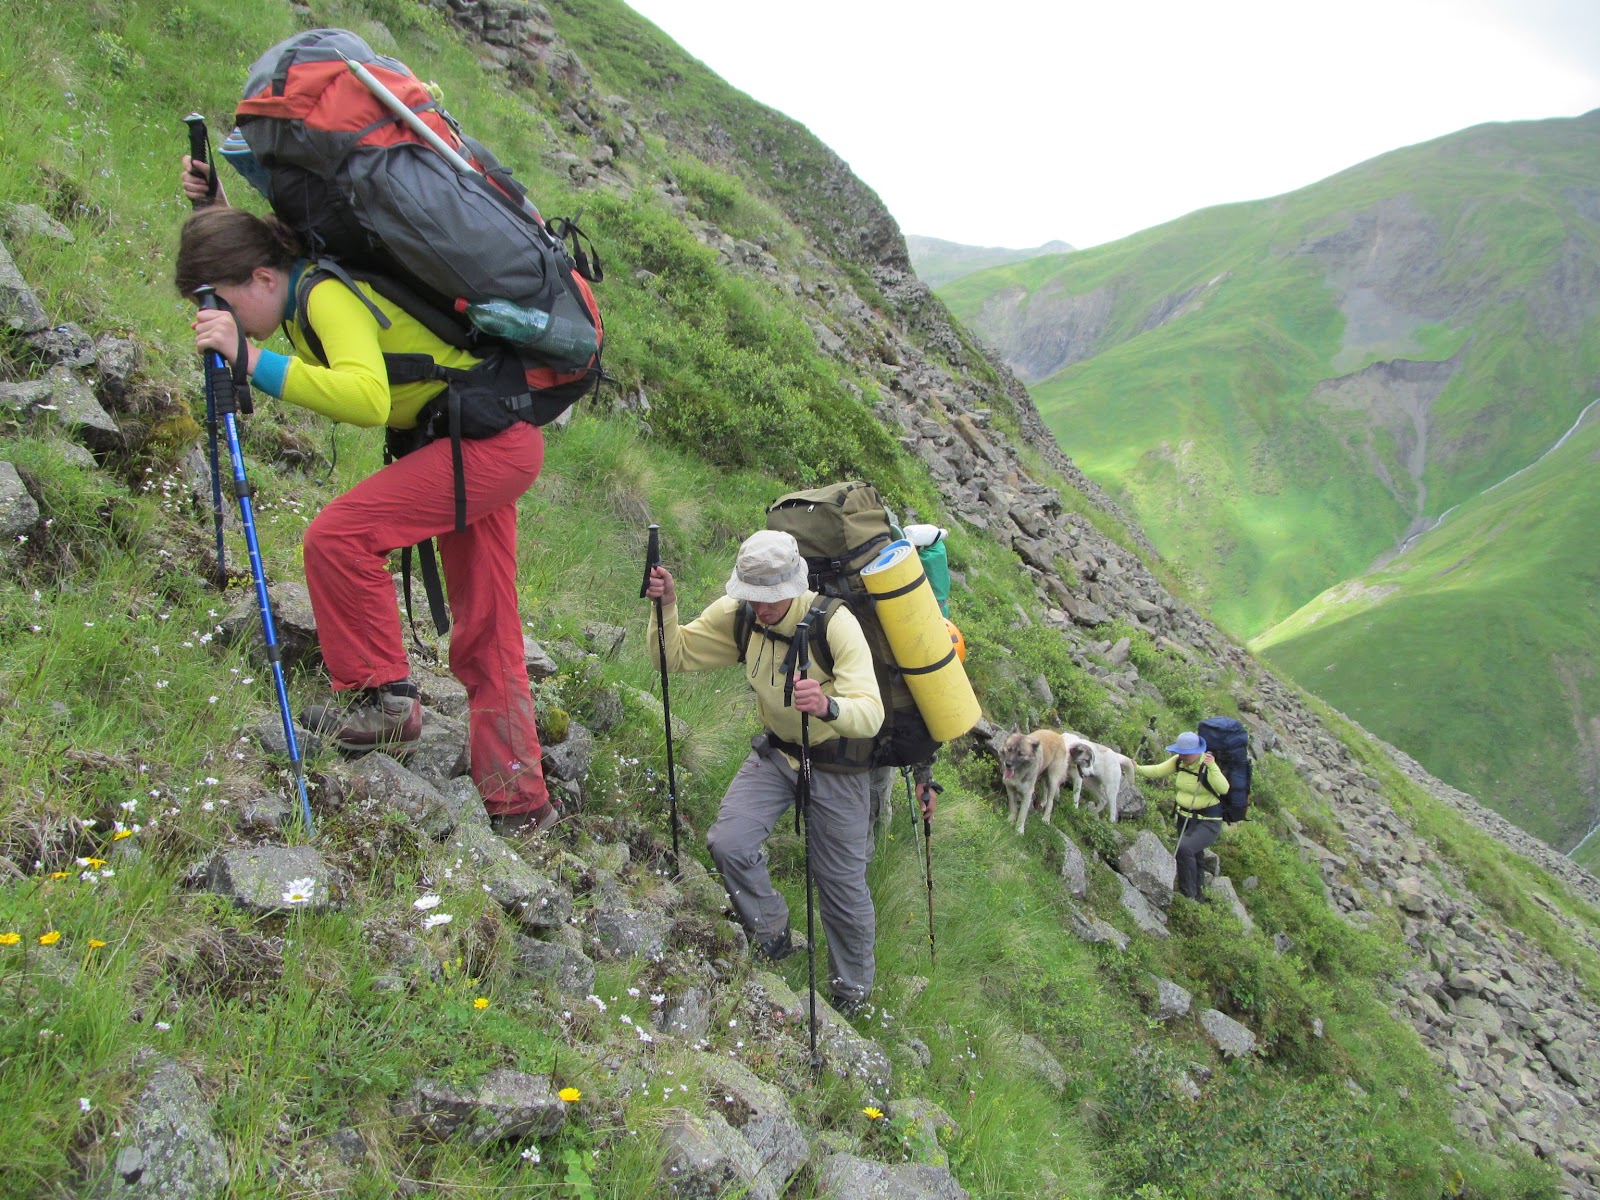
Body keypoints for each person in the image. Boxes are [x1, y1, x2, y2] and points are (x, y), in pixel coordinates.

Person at [174, 166, 556, 838]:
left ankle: (384, 700)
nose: (229, 326)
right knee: (488, 625)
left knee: (338, 537)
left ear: (265, 279)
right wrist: (216, 213)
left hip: (484, 447)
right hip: (493, 435)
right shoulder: (290, 277)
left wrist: (250, 361)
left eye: (225, 307)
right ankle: (519, 800)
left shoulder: (322, 294)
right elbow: (254, 271)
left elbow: (366, 397)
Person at [644, 530, 886, 1012]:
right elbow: (673, 656)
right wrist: (667, 608)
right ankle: (773, 933)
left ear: (796, 585)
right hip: (777, 754)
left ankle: (852, 993)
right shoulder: (740, 616)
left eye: (772, 597)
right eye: (754, 596)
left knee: (838, 884)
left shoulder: (834, 625)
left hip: (837, 764)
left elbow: (872, 712)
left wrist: (828, 705)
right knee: (729, 842)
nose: (763, 606)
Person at [1134, 730, 1230, 901]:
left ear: (1197, 751)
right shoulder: (1179, 762)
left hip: (1208, 821)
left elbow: (1223, 788)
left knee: (1184, 849)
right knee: (1195, 856)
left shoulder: (1207, 765)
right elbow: (1157, 770)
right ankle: (1198, 896)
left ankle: (1188, 894)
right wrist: (1135, 768)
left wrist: (1212, 766)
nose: (1182, 756)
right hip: (1184, 817)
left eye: (1185, 753)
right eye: (1180, 752)